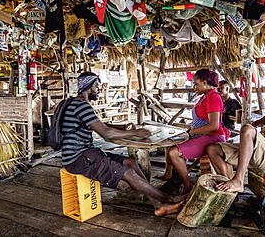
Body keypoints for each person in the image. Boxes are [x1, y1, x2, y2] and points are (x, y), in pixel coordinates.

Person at [61, 72, 185, 216]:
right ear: (88, 87)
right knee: (128, 172)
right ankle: (167, 198)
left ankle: (158, 205)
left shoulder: (74, 103)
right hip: (78, 159)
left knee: (131, 162)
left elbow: (100, 125)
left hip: (85, 154)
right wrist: (135, 133)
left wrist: (122, 127)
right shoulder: (82, 106)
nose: (98, 89)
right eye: (96, 86)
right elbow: (106, 133)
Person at [158, 69, 230, 194]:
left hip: (213, 137)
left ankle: (186, 186)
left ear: (204, 82)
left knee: (174, 153)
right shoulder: (206, 96)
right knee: (171, 144)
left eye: (196, 83)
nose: (194, 87)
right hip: (203, 134)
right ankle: (172, 177)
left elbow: (213, 126)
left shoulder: (213, 97)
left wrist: (193, 131)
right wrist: (190, 131)